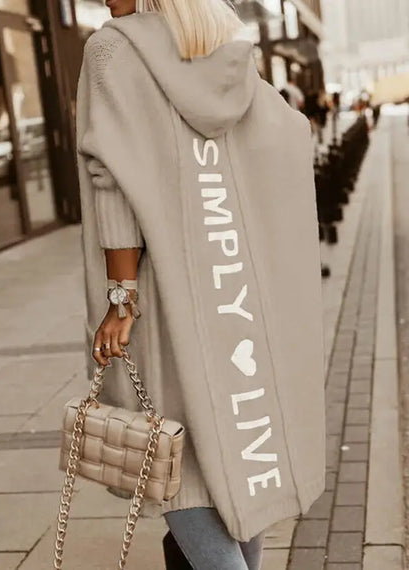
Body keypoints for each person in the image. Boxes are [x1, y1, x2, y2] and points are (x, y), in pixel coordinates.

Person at [75, 1, 326, 569]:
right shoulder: (219, 41)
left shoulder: (112, 47)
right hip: (232, 286)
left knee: (177, 459)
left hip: (162, 289)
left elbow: (110, 179)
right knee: (239, 450)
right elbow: (292, 133)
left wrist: (121, 298)